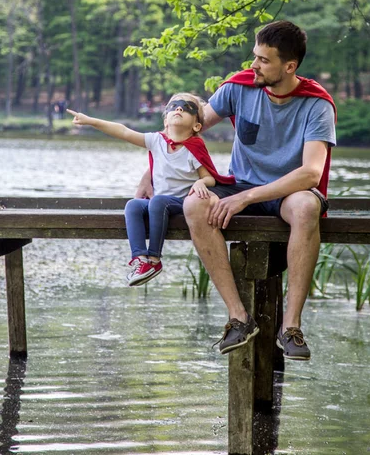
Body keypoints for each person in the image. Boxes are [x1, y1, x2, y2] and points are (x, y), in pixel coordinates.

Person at [136, 21, 336, 358]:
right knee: (195, 205)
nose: (253, 65)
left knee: (306, 206)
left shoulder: (316, 105)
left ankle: (291, 328)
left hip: (286, 194)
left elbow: (311, 174)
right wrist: (150, 173)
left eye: (263, 60)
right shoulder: (238, 88)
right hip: (241, 185)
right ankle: (239, 318)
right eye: (254, 56)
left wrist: (247, 198)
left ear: (289, 66)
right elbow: (183, 133)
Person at [67, 93, 235, 287]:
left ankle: (154, 259)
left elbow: (209, 177)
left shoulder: (194, 147)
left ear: (197, 126)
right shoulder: (157, 141)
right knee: (133, 206)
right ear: (165, 120)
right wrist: (90, 121)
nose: (179, 109)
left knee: (157, 201)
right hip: (160, 204)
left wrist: (201, 183)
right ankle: (140, 259)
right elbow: (123, 132)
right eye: (174, 107)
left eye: (187, 108)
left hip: (182, 204)